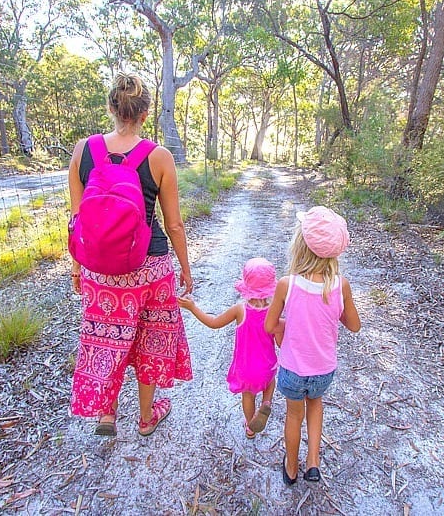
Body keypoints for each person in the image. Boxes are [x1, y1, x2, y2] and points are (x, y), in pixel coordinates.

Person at [67, 72, 193, 437]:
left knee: (106, 337)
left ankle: (106, 413)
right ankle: (145, 417)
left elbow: (77, 220)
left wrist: (77, 267)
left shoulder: (83, 150)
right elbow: (174, 225)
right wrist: (184, 269)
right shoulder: (159, 157)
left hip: (99, 270)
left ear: (110, 107)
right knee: (150, 341)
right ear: (145, 114)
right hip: (150, 265)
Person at [264, 206, 361, 485]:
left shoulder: (287, 284)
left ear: (300, 246)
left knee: (294, 415)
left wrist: (286, 327)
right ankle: (313, 463)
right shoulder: (341, 286)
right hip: (323, 370)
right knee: (315, 406)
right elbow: (354, 326)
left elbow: (270, 326)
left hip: (293, 369)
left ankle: (291, 468)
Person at [178, 258, 284, 439]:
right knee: (270, 380)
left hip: (246, 369)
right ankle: (266, 402)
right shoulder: (274, 313)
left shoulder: (240, 310)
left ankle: (250, 426)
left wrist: (193, 307)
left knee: (248, 395)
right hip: (267, 366)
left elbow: (213, 323)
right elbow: (281, 343)